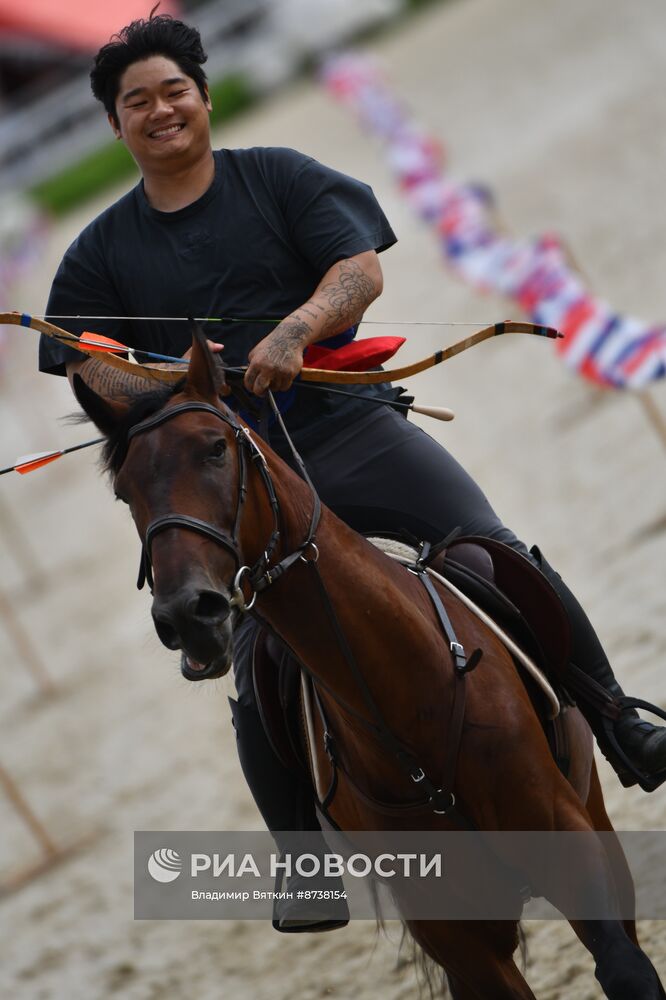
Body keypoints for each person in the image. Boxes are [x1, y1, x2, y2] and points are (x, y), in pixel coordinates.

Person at [39, 12, 666, 931]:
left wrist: (297, 329)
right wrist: (178, 382)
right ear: (116, 125)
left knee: (495, 548)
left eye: (175, 90)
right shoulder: (99, 251)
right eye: (138, 101)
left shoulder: (280, 178)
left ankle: (618, 722)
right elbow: (79, 357)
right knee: (256, 661)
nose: (161, 109)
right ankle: (303, 867)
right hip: (234, 481)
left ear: (204, 97)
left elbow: (358, 268)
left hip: (346, 427)